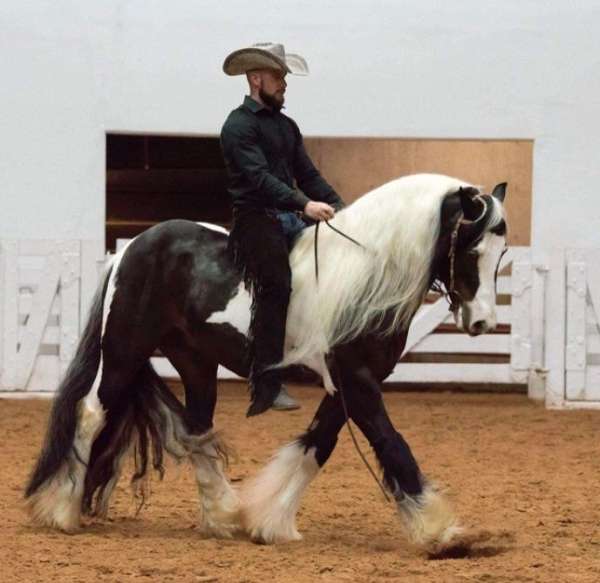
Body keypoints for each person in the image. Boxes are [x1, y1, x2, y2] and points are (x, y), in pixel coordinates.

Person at [220, 43, 344, 417]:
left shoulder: (286, 126)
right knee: (277, 284)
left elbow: (307, 174)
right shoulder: (237, 125)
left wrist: (342, 208)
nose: (284, 84)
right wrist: (304, 204)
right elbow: (257, 179)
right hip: (256, 217)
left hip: (290, 214)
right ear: (256, 79)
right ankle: (266, 383)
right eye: (278, 77)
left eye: (285, 77)